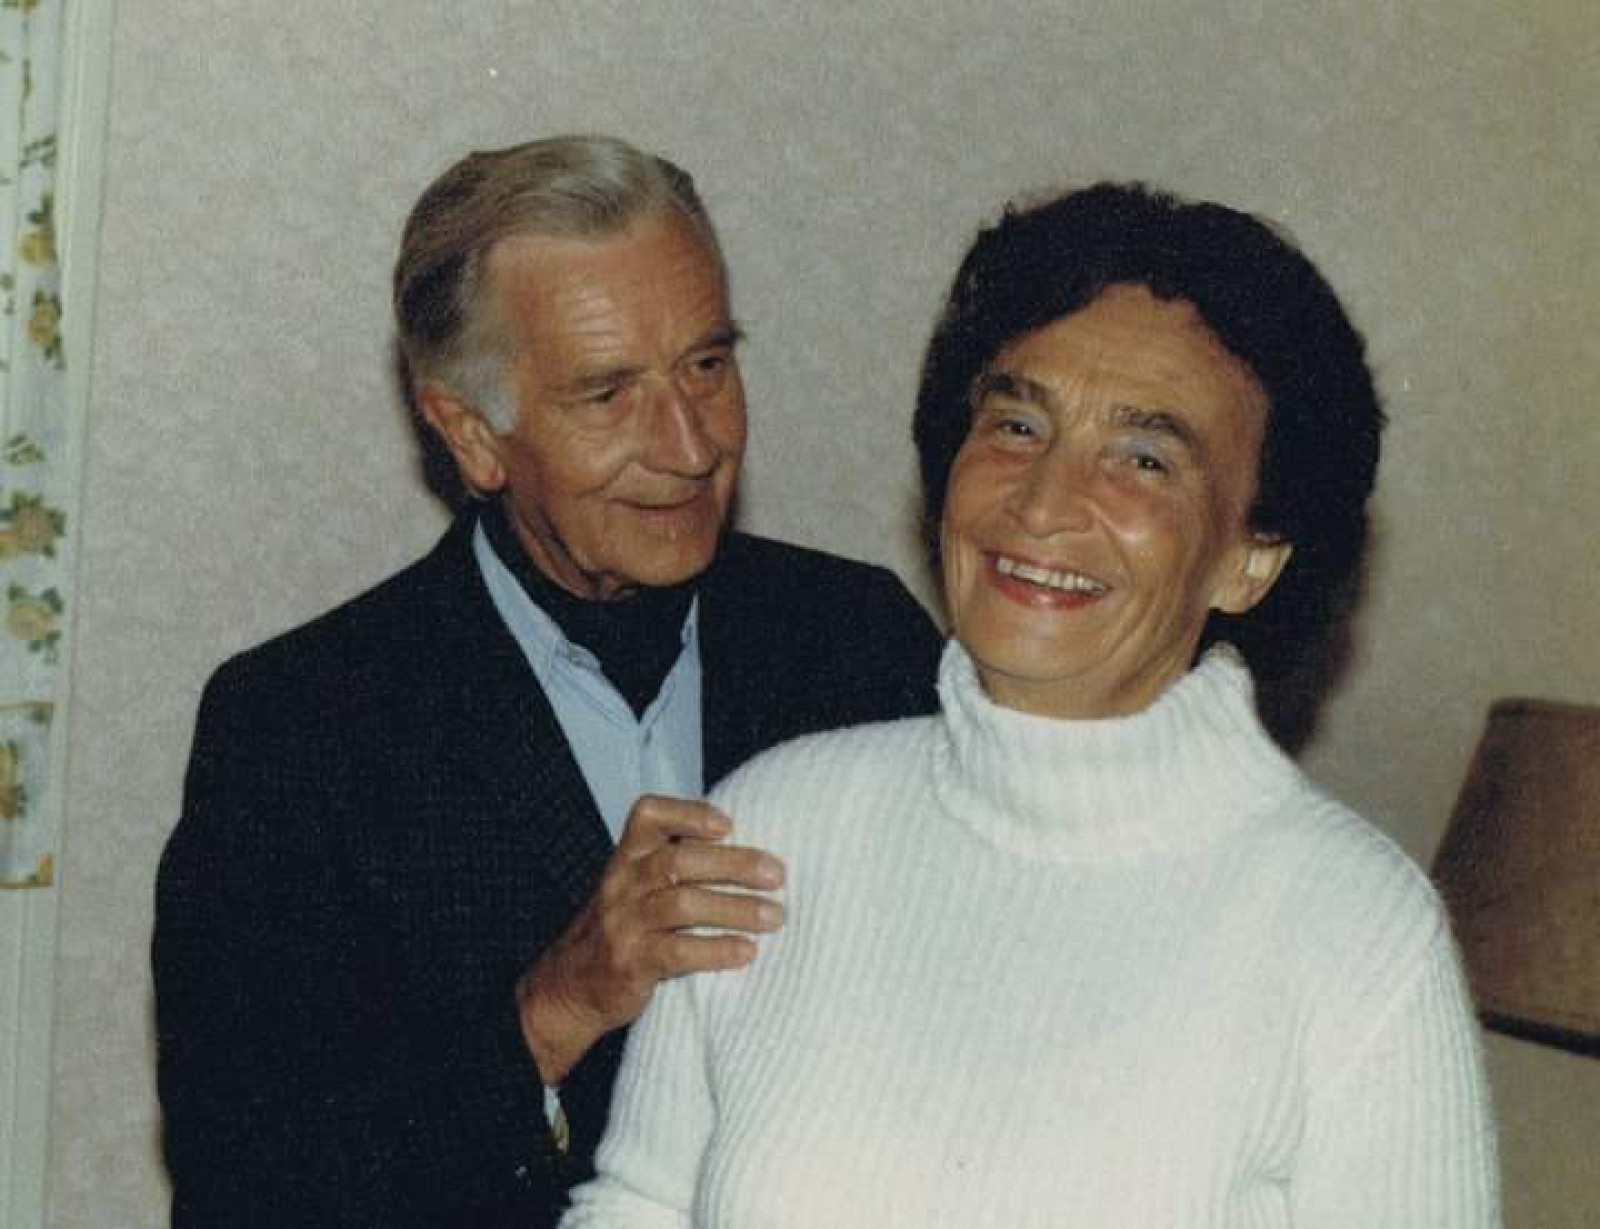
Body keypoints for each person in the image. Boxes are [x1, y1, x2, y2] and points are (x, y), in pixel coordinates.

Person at [563, 183, 1501, 1228]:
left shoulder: (1355, 934)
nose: (1045, 503)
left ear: (1251, 557)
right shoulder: (769, 826)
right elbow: (640, 1203)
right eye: (1017, 423)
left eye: (1144, 458)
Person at [151, 136, 942, 1229]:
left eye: (707, 366)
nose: (690, 445)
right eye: (609, 393)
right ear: (473, 435)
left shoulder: (859, 642)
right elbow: (247, 1190)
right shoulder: (303, 731)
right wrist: (555, 1009)